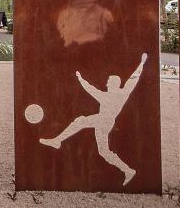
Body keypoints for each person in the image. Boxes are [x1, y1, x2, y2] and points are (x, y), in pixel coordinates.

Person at [40, 53, 147, 186]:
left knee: (81, 122)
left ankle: (57, 140)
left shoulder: (114, 96)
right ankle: (128, 170)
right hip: (104, 122)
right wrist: (141, 64)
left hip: (104, 121)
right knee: (103, 151)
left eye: (109, 81)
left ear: (114, 84)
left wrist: (141, 64)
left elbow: (131, 80)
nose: (106, 83)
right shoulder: (114, 95)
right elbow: (130, 81)